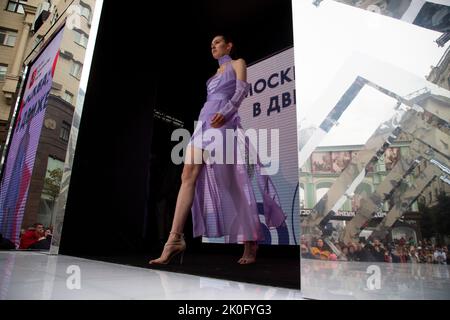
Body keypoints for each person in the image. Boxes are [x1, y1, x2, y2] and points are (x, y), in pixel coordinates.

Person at [149, 34, 286, 265]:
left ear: (229, 45)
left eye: (217, 42)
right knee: (187, 174)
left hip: (225, 122)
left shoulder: (237, 63)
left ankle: (250, 239)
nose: (213, 46)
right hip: (203, 123)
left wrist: (228, 111)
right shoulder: (211, 77)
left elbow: (241, 90)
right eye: (211, 44)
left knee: (232, 182)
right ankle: (174, 240)